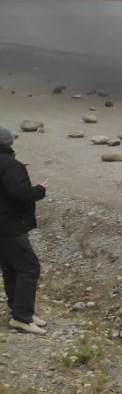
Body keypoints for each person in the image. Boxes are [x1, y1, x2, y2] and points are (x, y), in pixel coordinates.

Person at [0, 125, 48, 334]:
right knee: (29, 268)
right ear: (8, 143)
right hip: (11, 226)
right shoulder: (11, 165)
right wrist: (39, 190)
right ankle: (22, 317)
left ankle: (19, 310)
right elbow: (19, 192)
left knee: (11, 268)